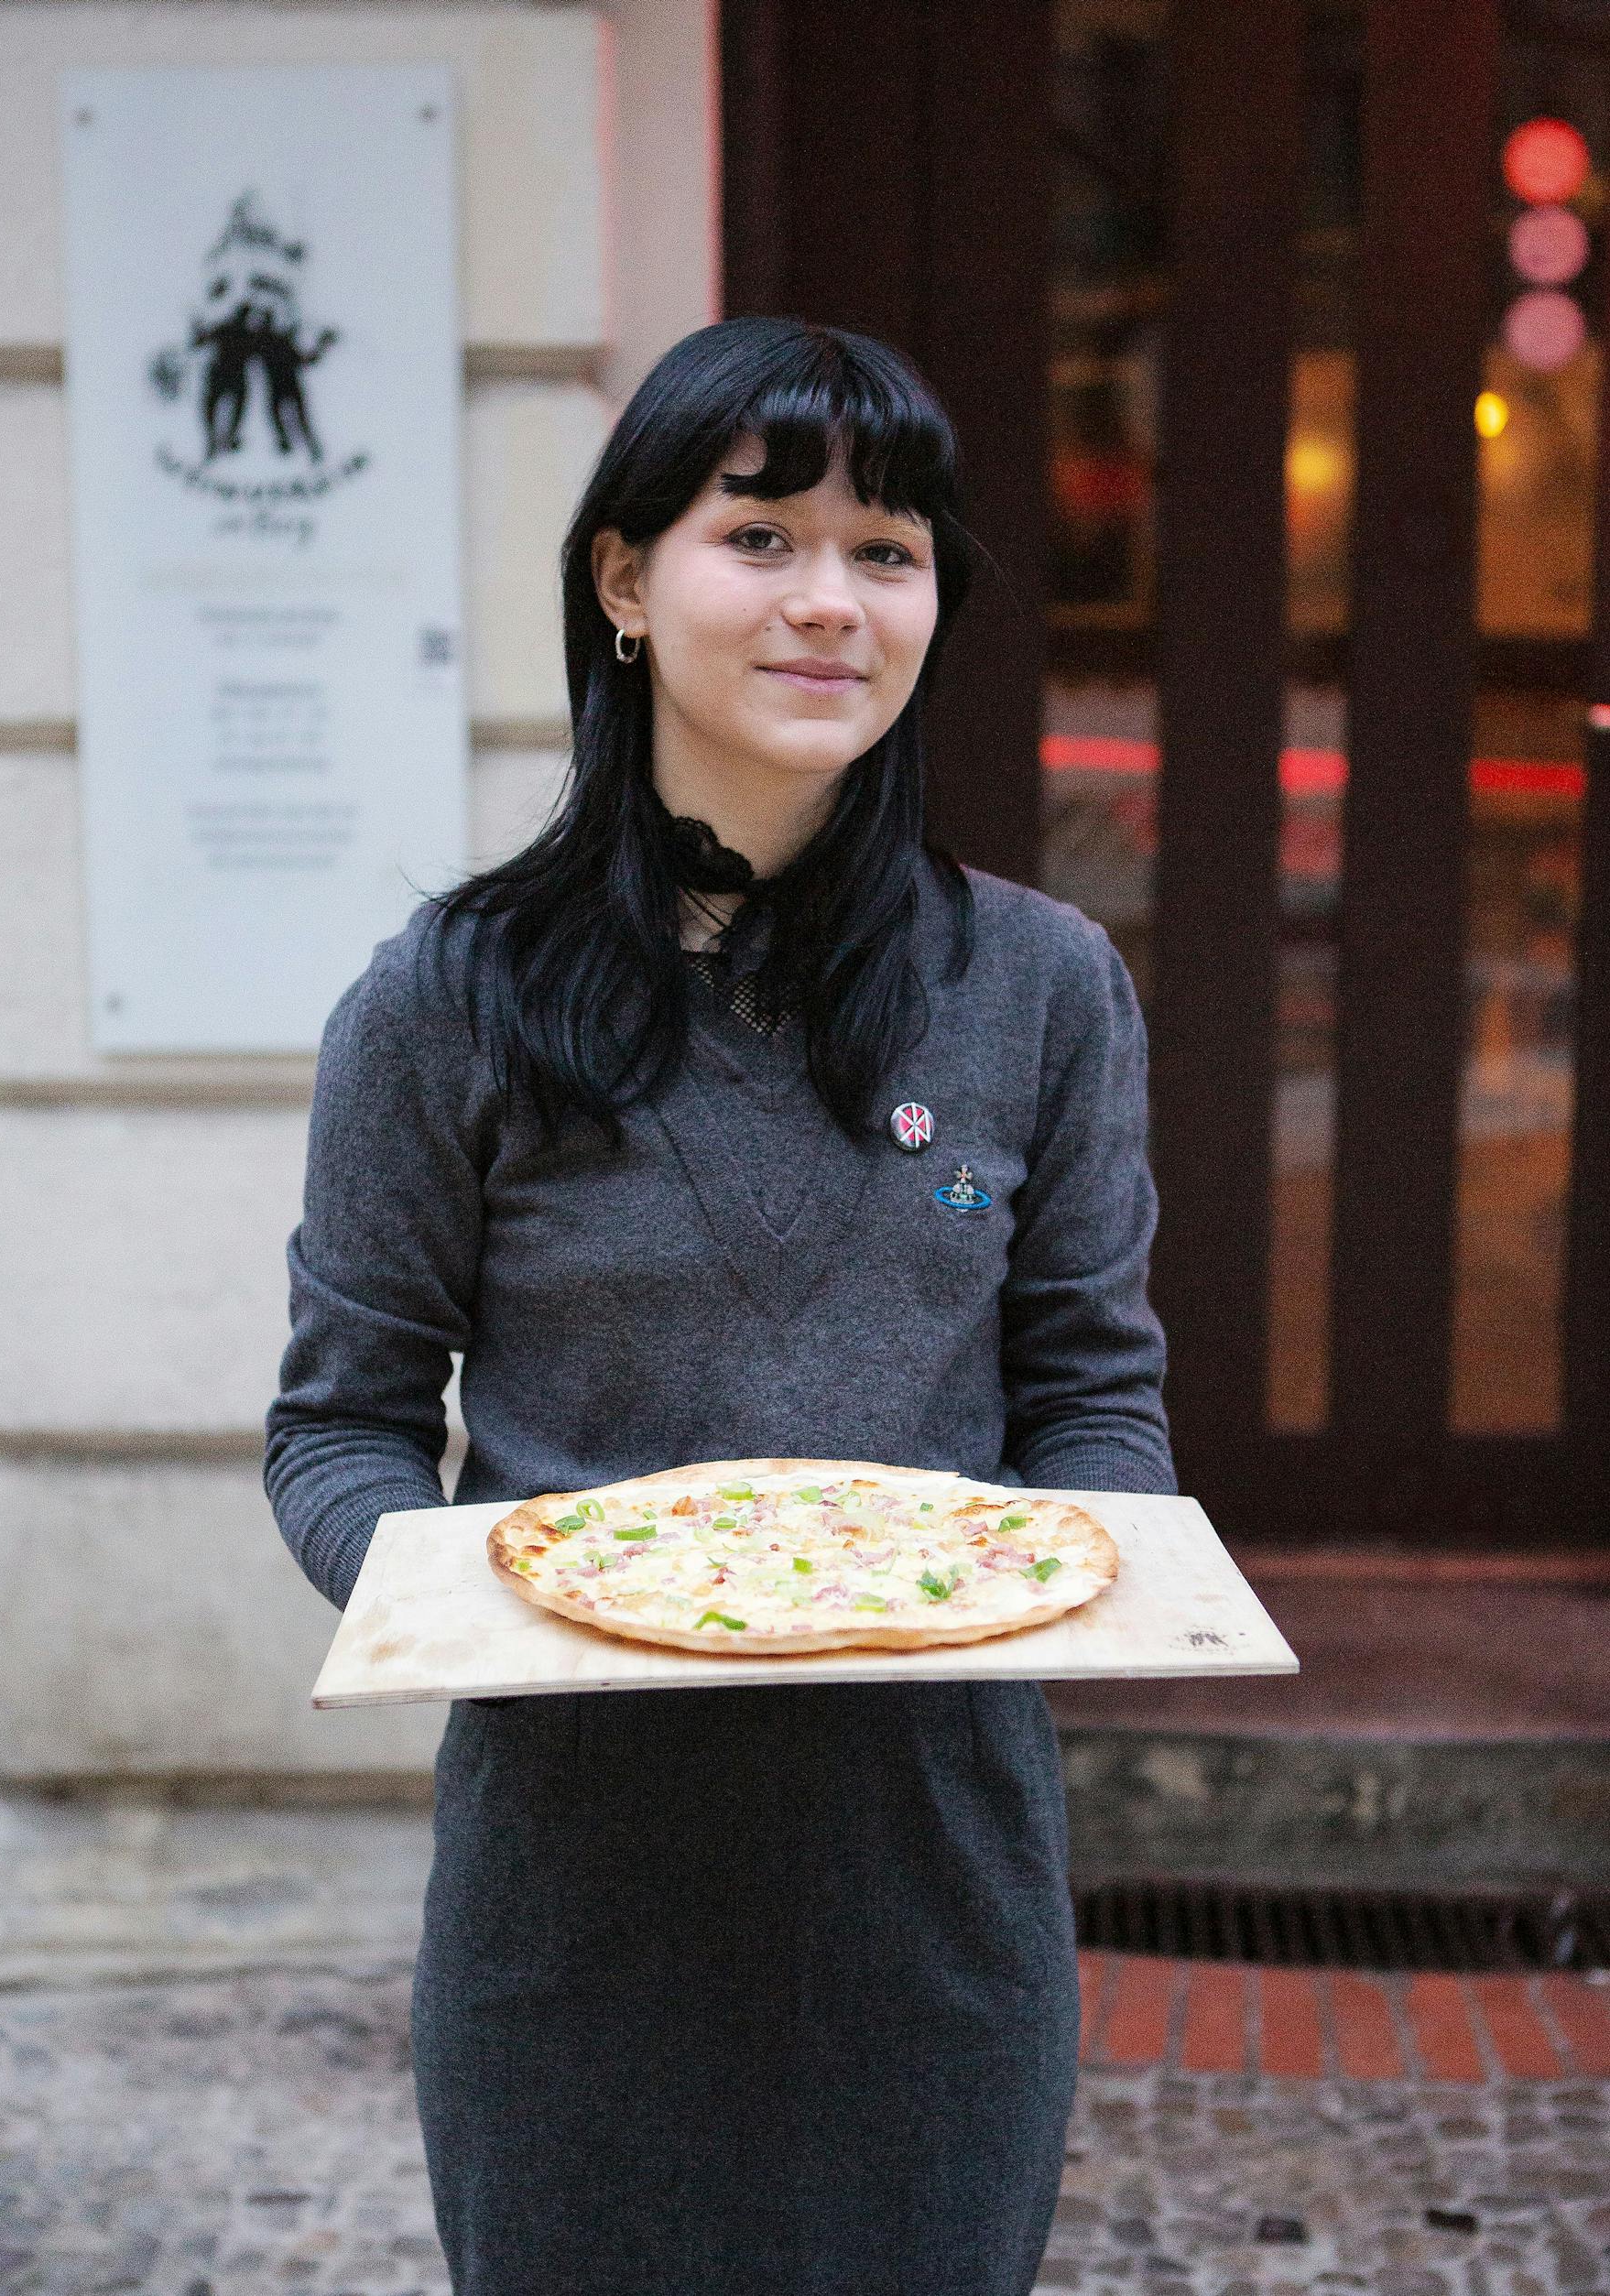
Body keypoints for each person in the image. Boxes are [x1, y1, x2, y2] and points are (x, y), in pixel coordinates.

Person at [265, 314, 1176, 2296]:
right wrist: (473, 1599)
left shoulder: (1038, 989)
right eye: (758, 537)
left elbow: (1092, 1392)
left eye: (887, 547)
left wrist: (1095, 1552)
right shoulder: (445, 1002)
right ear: (623, 578)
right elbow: (336, 1429)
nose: (829, 600)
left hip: (933, 1872)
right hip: (575, 1889)